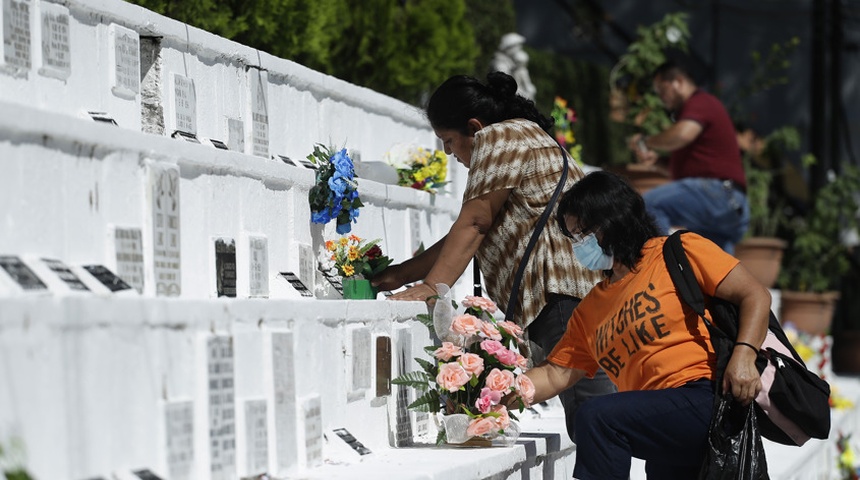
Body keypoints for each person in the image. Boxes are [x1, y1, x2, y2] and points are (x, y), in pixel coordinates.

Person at [372, 72, 616, 440]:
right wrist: (397, 276)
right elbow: (467, 232)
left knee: (595, 425)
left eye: (449, 141)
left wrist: (430, 286)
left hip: (562, 299)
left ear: (474, 127)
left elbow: (475, 222)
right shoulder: (527, 136)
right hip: (575, 297)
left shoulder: (498, 137)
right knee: (594, 420)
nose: (448, 153)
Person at [513, 170, 770, 479]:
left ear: (614, 219)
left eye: (584, 232)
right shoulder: (591, 309)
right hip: (658, 421)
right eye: (574, 237)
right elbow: (555, 374)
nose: (579, 245)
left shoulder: (677, 252)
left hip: (704, 397)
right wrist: (499, 393)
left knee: (598, 417)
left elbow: (754, 294)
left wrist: (744, 356)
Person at [628, 60, 749, 254]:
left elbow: (682, 134)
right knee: (710, 268)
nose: (660, 98)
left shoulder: (701, 102)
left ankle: (659, 268)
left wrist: (646, 141)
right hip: (730, 205)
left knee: (649, 205)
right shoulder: (699, 109)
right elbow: (689, 169)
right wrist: (657, 162)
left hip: (719, 194)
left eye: (661, 90)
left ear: (678, 81)